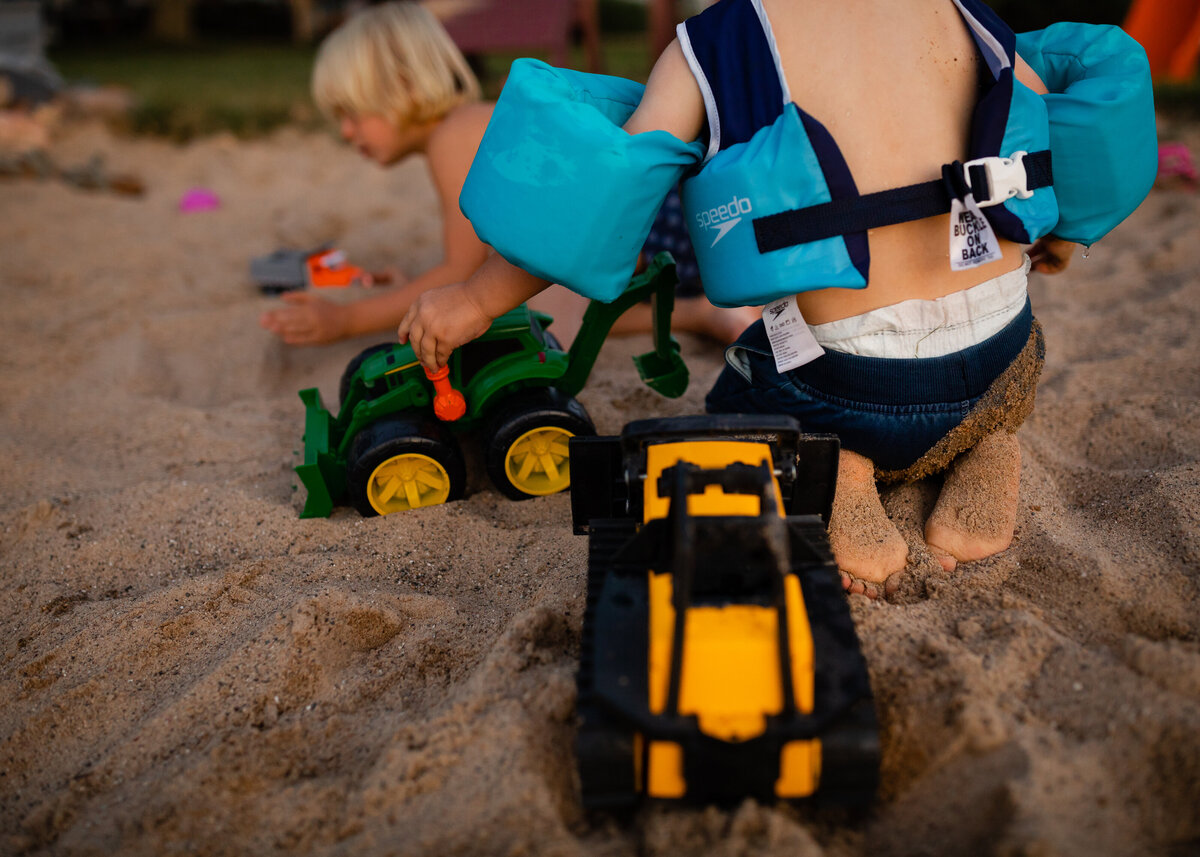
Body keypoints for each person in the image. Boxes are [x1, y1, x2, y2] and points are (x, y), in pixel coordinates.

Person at [398, 0, 1155, 597]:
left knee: (749, 376)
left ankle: (845, 472)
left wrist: (472, 299)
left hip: (850, 387)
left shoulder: (713, 46)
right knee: (1009, 363)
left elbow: (598, 198)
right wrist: (1056, 239)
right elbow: (1045, 143)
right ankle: (989, 445)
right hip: (999, 355)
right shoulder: (961, 12)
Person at [259, 0, 753, 348]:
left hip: (651, 230)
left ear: (405, 86)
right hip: (656, 224)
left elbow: (460, 275)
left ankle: (700, 314)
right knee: (533, 296)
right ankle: (703, 311)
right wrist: (414, 290)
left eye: (350, 111)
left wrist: (345, 320)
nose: (345, 132)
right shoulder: (469, 124)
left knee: (541, 312)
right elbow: (480, 265)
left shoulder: (455, 134)